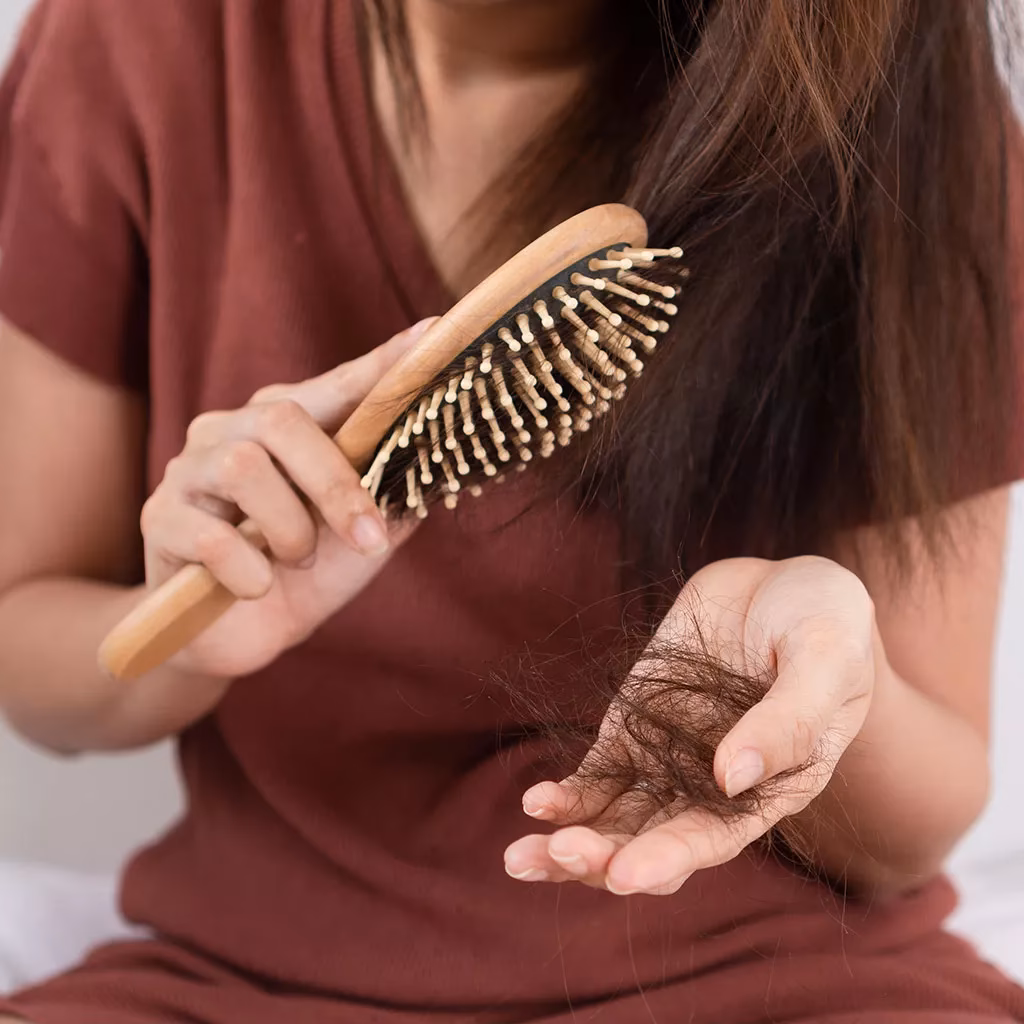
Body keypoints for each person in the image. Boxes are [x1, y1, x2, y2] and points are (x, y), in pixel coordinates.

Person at [0, 0, 1022, 1021]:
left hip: (782, 983)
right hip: (246, 980)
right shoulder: (138, 41)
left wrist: (827, 676)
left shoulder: (887, 98)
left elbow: (917, 825)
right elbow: (28, 641)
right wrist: (194, 620)